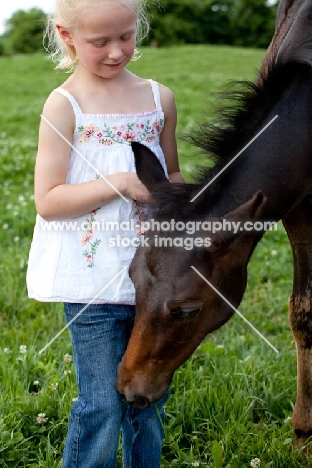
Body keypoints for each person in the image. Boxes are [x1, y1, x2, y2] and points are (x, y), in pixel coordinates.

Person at [26, 0, 184, 466]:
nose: (117, 52)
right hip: (93, 282)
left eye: (126, 36)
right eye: (100, 42)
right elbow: (49, 200)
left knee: (147, 400)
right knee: (101, 403)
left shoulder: (160, 99)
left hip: (154, 283)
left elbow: (171, 176)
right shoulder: (64, 105)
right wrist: (119, 183)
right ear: (68, 36)